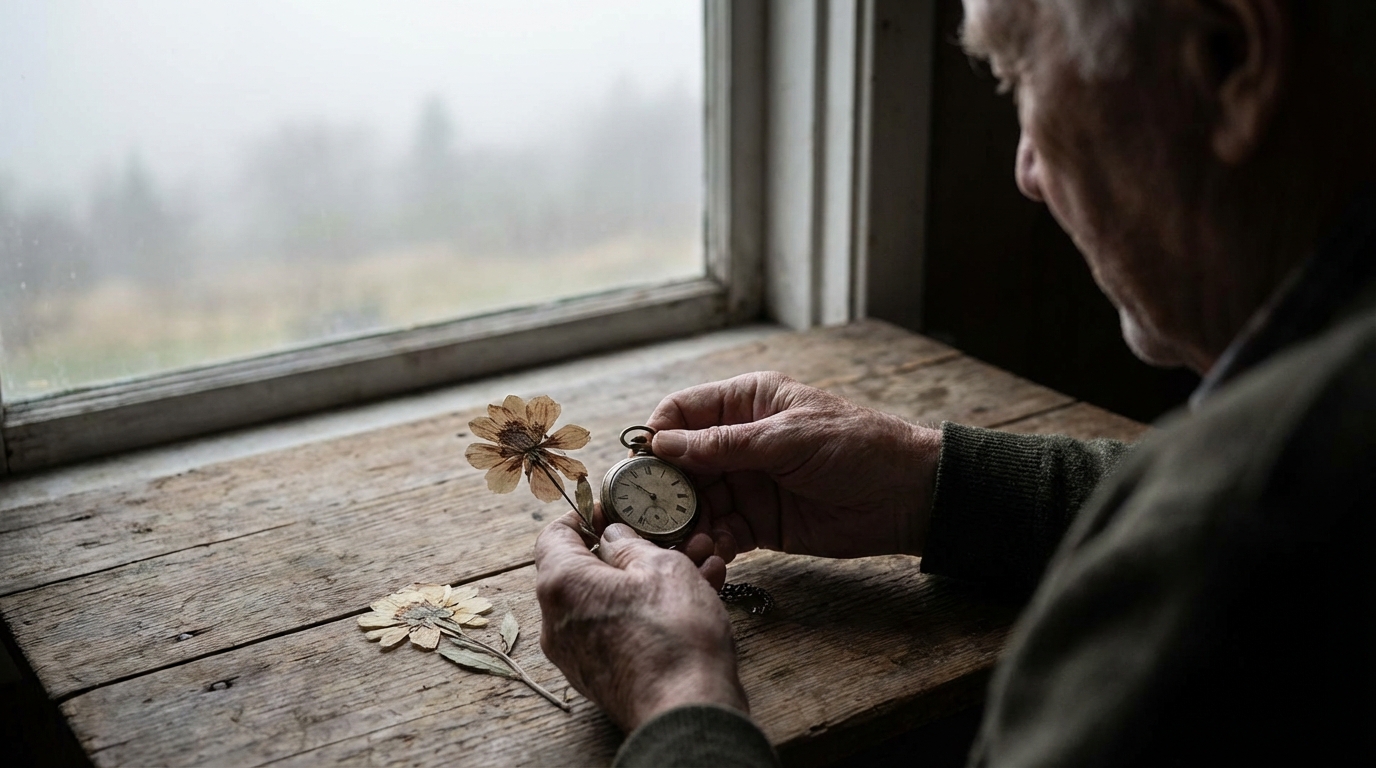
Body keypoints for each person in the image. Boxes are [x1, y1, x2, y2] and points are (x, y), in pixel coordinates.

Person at [534, 0, 1376, 764]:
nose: (1026, 172)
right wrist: (929, 483)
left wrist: (679, 700)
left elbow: (1207, 518)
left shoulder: (1243, 525)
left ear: (1230, 57)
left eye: (1018, 75)